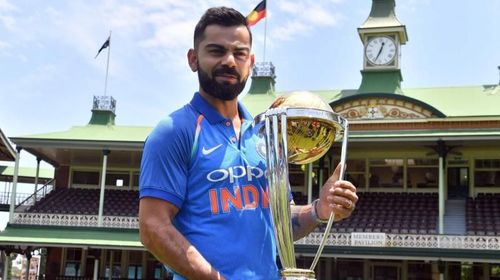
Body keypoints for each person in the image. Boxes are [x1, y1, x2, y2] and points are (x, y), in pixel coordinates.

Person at [139, 6, 358, 280]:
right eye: (216, 51)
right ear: (193, 59)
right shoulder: (174, 132)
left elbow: (280, 223)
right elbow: (153, 226)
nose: (230, 61)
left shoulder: (265, 136)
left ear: (250, 63)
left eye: (239, 53)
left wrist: (319, 210)